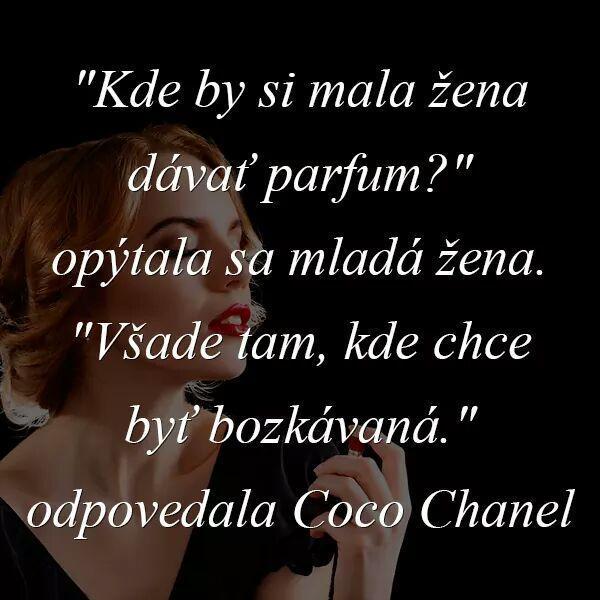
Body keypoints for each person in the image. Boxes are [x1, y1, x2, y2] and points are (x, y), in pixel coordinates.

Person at [0, 125, 410, 599]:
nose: (237, 271)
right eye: (182, 248)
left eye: (237, 242)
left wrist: (368, 576)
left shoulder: (292, 477)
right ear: (72, 288)